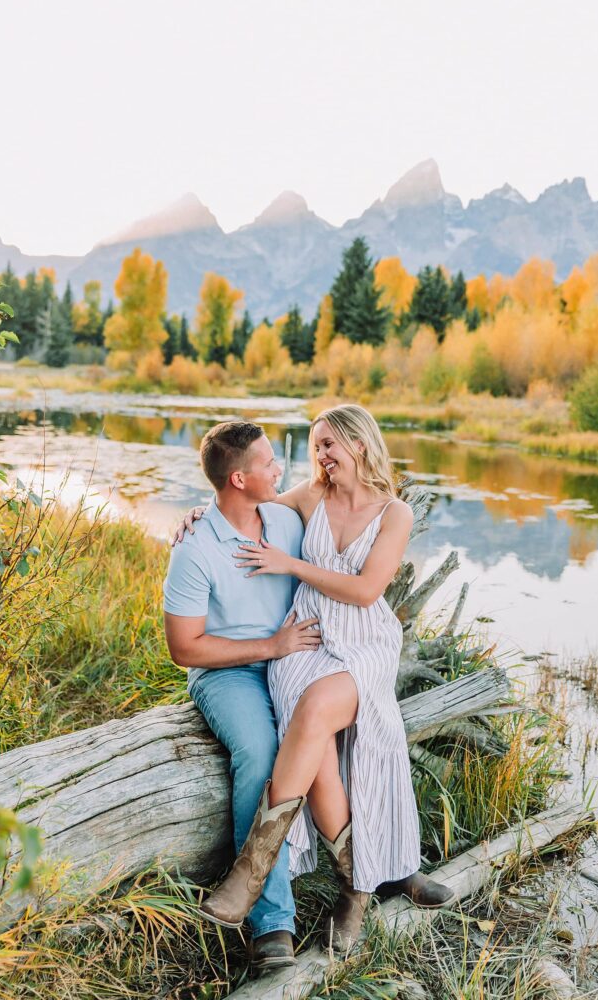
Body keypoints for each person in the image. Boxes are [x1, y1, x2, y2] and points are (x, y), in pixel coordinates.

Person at [173, 406, 453, 958]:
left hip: (363, 644)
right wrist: (194, 513)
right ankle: (356, 884)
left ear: (360, 444)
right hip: (309, 640)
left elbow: (368, 590)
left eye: (330, 445)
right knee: (315, 739)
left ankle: (251, 872)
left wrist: (291, 566)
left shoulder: (394, 513)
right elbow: (238, 503)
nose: (321, 456)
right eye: (317, 445)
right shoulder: (309, 496)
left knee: (317, 709)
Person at [164, 420, 320, 974]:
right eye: (269, 462)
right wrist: (270, 645)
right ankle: (271, 922)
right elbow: (185, 648)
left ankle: (368, 874)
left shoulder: (282, 517)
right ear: (238, 478)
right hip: (226, 672)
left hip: (291, 660)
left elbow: (338, 485)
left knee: (337, 727)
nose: (280, 469)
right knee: (261, 749)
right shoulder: (194, 549)